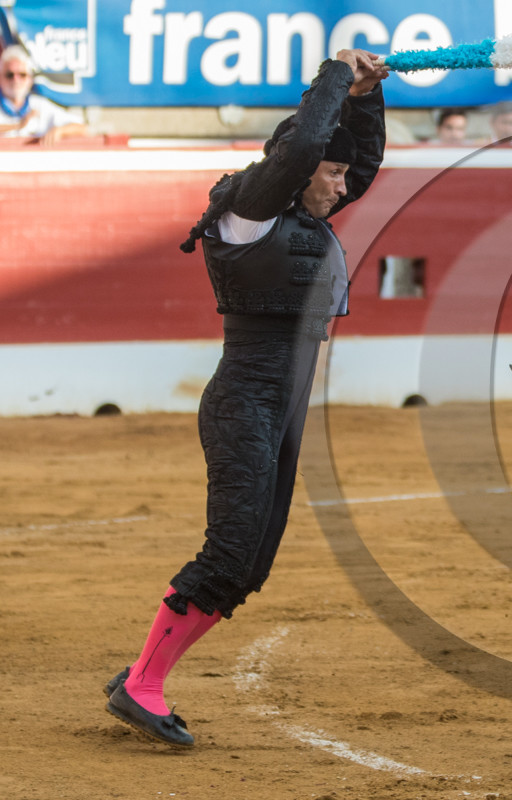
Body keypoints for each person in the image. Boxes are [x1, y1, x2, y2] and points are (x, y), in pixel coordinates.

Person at [103, 47, 389, 749]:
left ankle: (139, 674)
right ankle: (142, 684)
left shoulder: (298, 209)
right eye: (333, 171)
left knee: (250, 566)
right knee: (230, 552)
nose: (345, 184)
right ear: (300, 167)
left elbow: (362, 161)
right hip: (246, 401)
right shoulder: (250, 206)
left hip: (281, 405)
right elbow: (300, 156)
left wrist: (367, 97)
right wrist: (332, 77)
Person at [0, 44, 90, 145]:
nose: (16, 80)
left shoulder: (39, 105)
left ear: (30, 79)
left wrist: (60, 131)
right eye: (9, 75)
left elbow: (83, 128)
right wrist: (18, 126)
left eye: (22, 75)